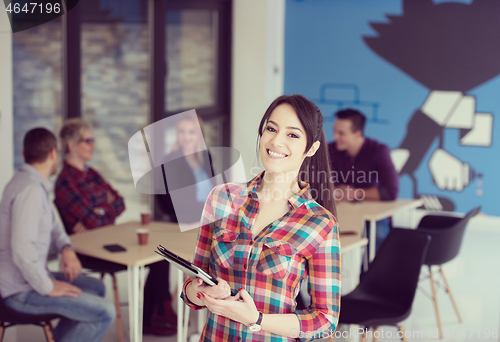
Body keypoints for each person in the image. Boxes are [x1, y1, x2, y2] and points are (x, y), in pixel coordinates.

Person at [181, 95, 341, 341]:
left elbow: (325, 321)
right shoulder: (221, 198)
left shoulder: (320, 222)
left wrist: (256, 320)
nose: (276, 141)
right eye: (271, 128)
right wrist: (198, 290)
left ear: (311, 148)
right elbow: (192, 288)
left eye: (293, 134)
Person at [53, 118, 177, 336]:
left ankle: (151, 315)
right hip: (89, 251)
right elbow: (94, 220)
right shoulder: (65, 181)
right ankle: (155, 314)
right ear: (71, 146)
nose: (94, 145)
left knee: (159, 255)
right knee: (152, 255)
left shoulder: (91, 174)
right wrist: (102, 207)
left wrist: (99, 212)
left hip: (107, 239)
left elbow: (119, 202)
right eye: (88, 141)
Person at [0, 128, 116, 342]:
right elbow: (21, 251)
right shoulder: (30, 191)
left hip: (26, 280)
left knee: (96, 287)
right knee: (105, 312)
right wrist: (48, 286)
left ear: (25, 155)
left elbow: (55, 227)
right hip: (18, 292)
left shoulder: (33, 184)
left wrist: (66, 249)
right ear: (54, 153)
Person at [328, 109, 399, 250]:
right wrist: (331, 192)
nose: (335, 137)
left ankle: (371, 272)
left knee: (377, 234)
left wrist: (356, 193)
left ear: (357, 134)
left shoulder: (378, 150)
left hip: (371, 217)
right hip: (340, 213)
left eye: (341, 133)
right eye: (335, 131)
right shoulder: (329, 149)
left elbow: (390, 192)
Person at [156, 114, 215, 225]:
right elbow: (172, 203)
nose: (186, 137)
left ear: (200, 134)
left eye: (191, 132)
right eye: (181, 131)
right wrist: (208, 207)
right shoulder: (170, 162)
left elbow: (213, 189)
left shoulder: (206, 157)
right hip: (185, 224)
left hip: (209, 221)